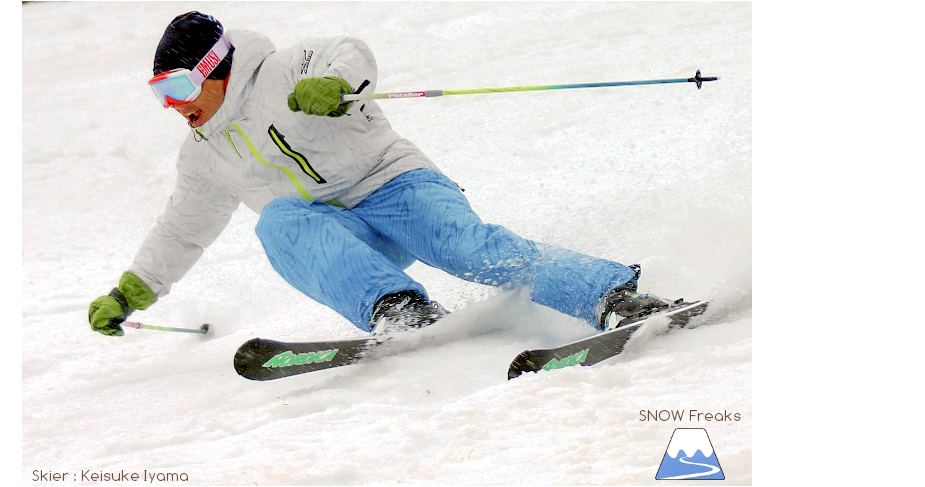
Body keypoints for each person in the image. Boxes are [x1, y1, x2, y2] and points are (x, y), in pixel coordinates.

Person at [88, 11, 678, 337]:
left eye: (181, 86)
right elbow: (182, 230)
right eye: (160, 93)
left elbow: (350, 48)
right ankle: (399, 309)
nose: (174, 105)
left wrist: (337, 83)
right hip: (344, 237)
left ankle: (613, 298)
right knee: (278, 223)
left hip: (395, 187)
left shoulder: (282, 70)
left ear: (215, 69)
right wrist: (132, 290)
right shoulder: (202, 155)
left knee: (466, 247)